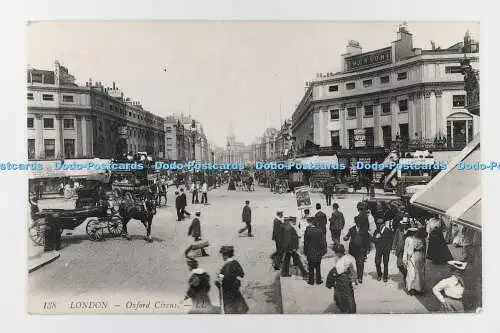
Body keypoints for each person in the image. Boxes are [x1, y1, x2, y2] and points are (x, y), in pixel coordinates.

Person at [215, 246, 249, 314]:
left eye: (223, 255)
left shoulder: (227, 266)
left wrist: (218, 281)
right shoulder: (235, 262)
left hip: (228, 292)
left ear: (226, 255)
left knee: (230, 310)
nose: (222, 257)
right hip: (235, 289)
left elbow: (225, 279)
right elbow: (241, 274)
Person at [326, 244, 357, 313]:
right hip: (339, 279)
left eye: (337, 252)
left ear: (341, 252)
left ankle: (351, 311)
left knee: (348, 296)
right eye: (336, 252)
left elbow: (352, 272)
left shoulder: (348, 259)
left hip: (346, 280)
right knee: (338, 296)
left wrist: (353, 282)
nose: (336, 254)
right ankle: (343, 308)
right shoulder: (337, 258)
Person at [403, 228, 426, 295]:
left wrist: (424, 257)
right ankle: (410, 289)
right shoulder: (408, 239)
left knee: (420, 274)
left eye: (415, 232)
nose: (414, 233)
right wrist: (404, 259)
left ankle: (419, 289)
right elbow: (405, 249)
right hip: (411, 257)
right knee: (411, 273)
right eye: (413, 232)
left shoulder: (421, 239)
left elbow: (424, 248)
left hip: (420, 257)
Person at [303, 217, 327, 285]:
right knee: (318, 266)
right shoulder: (319, 230)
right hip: (318, 252)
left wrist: (305, 252)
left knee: (310, 267)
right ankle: (318, 280)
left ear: (311, 223)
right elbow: (323, 242)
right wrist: (324, 250)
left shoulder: (307, 231)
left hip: (310, 251)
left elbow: (306, 243)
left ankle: (311, 281)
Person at [343, 217, 367, 284]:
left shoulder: (364, 230)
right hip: (353, 249)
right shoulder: (351, 229)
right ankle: (350, 276)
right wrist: (345, 238)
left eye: (360, 222)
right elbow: (347, 236)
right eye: (358, 222)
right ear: (356, 222)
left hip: (361, 249)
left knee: (360, 263)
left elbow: (367, 240)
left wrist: (367, 249)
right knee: (349, 263)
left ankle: (360, 277)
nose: (359, 224)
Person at [372, 218, 394, 282]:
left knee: (385, 263)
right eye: (377, 224)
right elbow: (373, 239)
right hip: (378, 249)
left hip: (386, 250)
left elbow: (391, 240)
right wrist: (377, 239)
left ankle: (385, 276)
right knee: (377, 262)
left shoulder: (387, 231)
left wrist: (389, 248)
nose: (378, 225)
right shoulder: (376, 231)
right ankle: (379, 274)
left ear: (383, 224)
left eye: (379, 224)